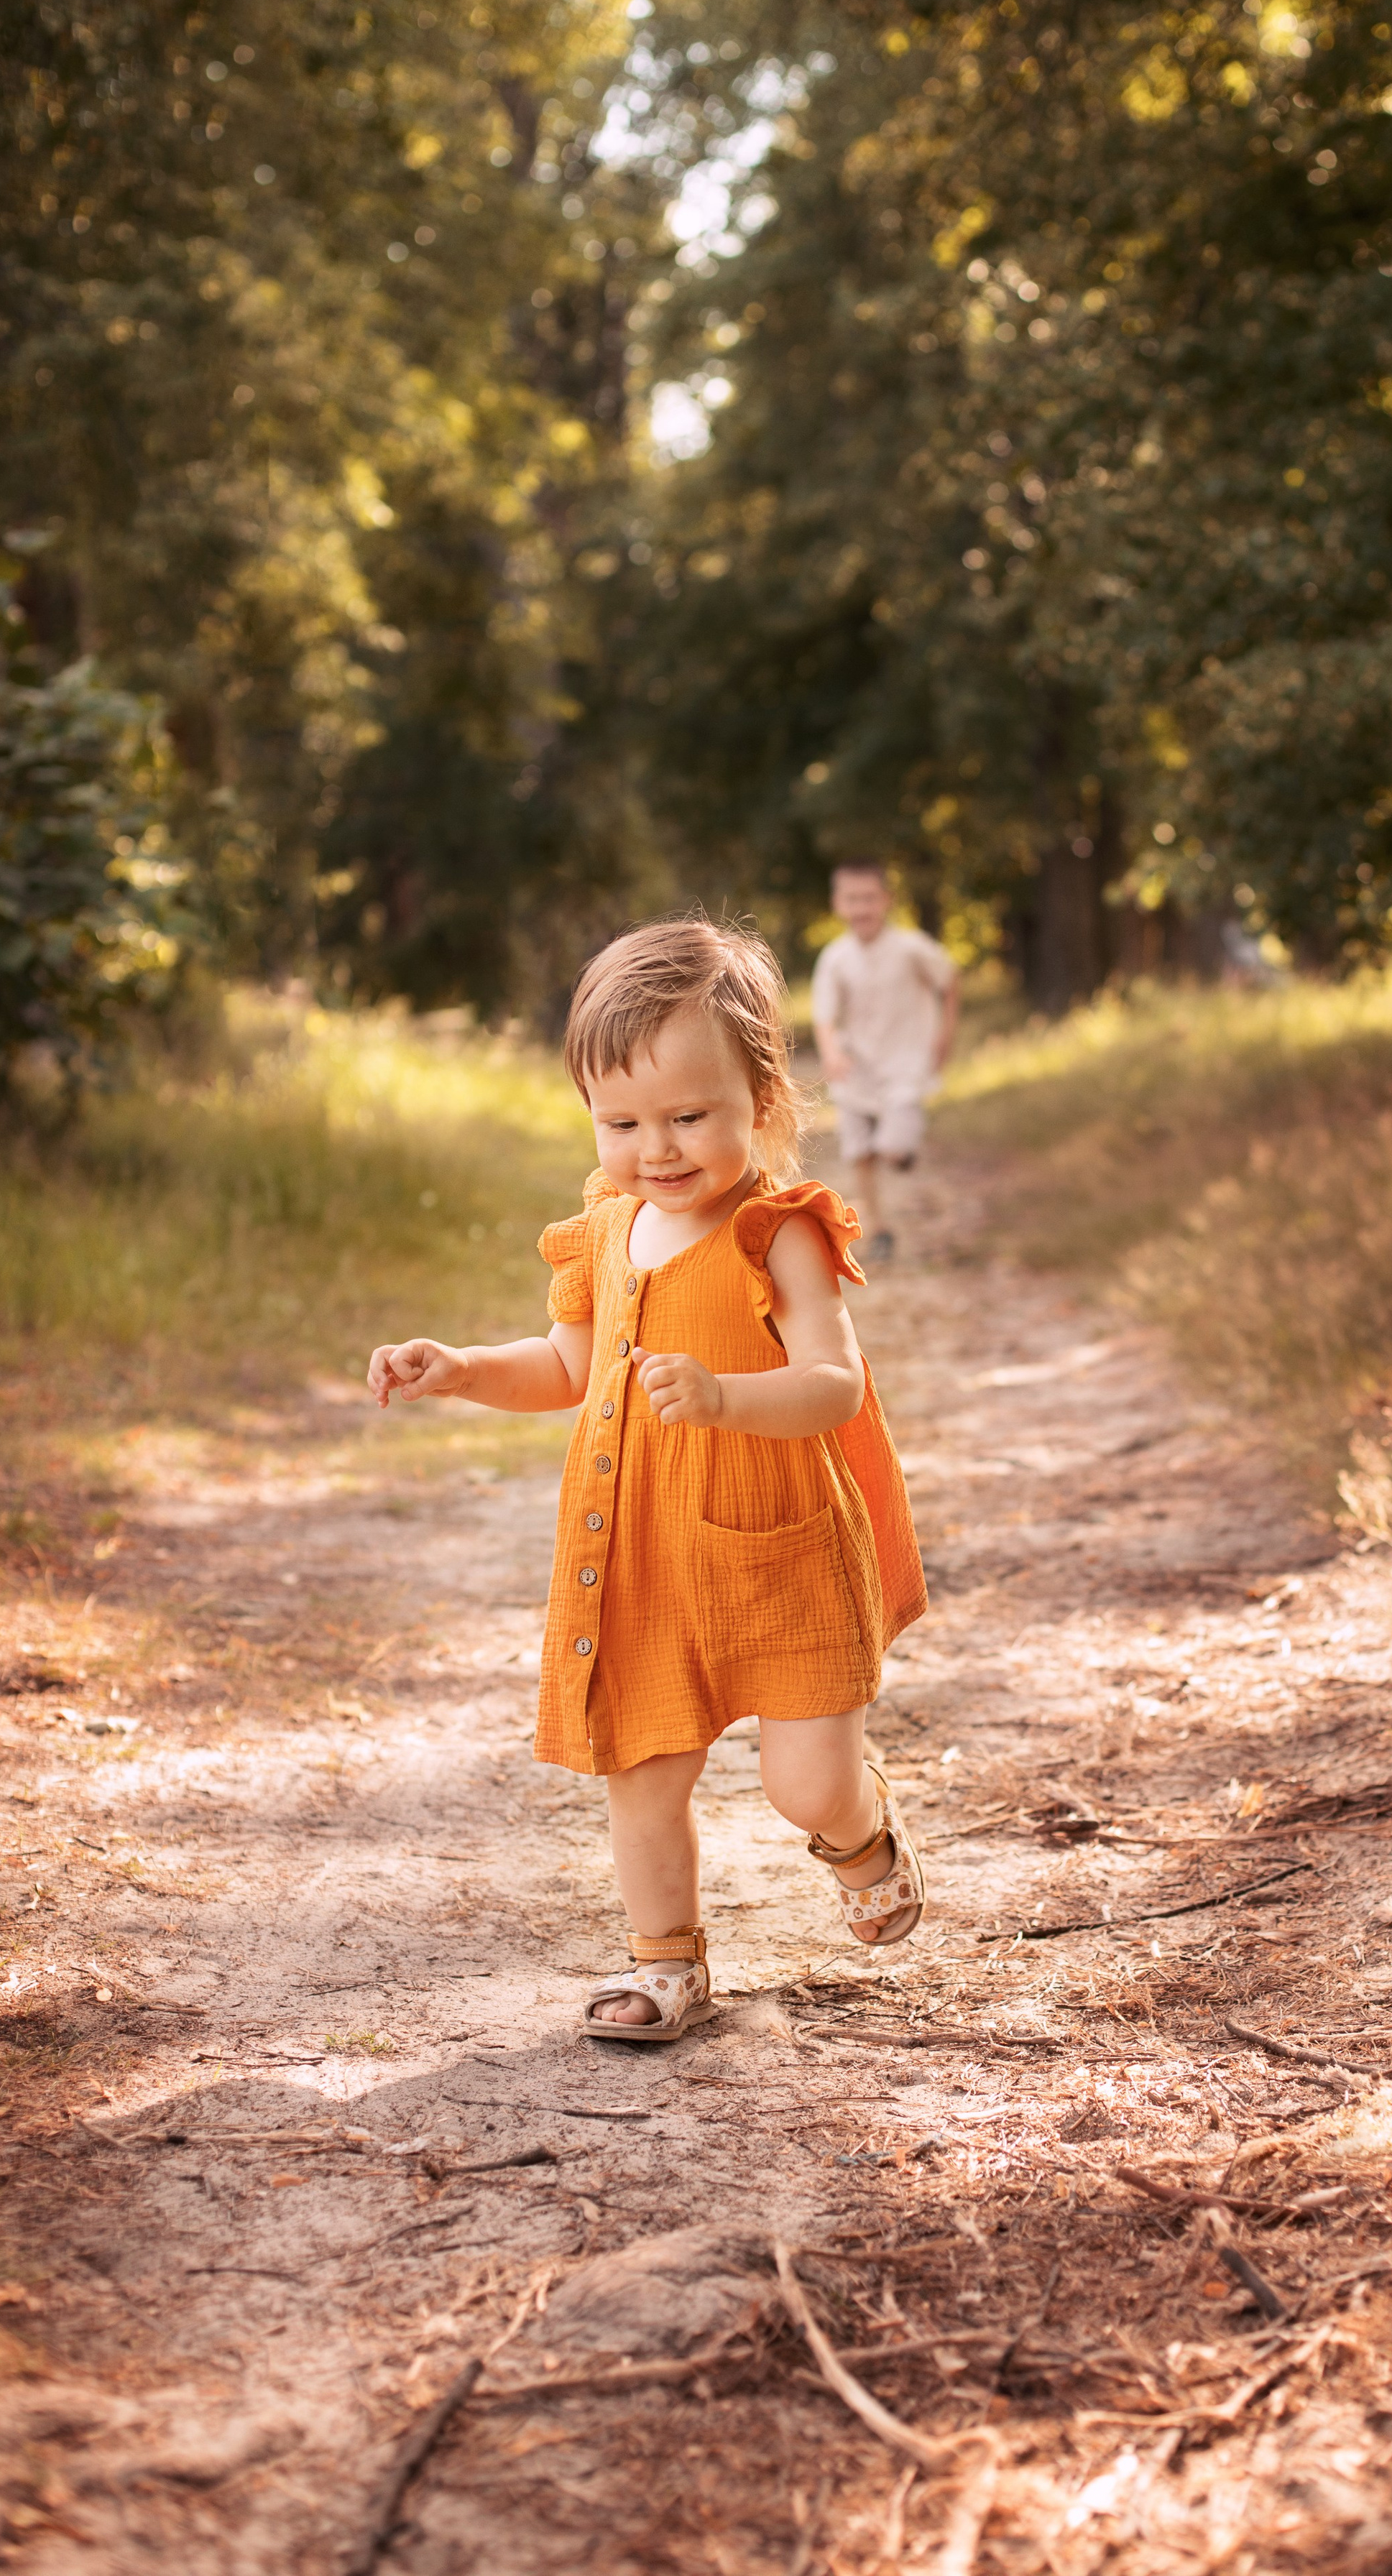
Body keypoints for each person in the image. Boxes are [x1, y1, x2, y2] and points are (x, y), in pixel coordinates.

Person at [366, 918, 928, 2047]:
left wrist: (725, 1396)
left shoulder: (778, 1234)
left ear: (761, 1101)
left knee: (805, 1785)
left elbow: (834, 1383)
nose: (656, 1150)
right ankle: (666, 1962)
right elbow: (568, 1368)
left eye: (688, 1117)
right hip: (643, 1556)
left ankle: (860, 1832)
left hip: (779, 1548)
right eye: (621, 1122)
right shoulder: (608, 1231)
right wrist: (464, 1369)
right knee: (643, 1774)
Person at [810, 862, 959, 1265]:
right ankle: (880, 1230)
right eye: (852, 899)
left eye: (870, 898)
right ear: (838, 904)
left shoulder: (912, 948)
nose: (861, 908)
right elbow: (824, 1016)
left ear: (887, 900)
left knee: (892, 1147)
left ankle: (899, 1151)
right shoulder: (835, 957)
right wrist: (831, 1053)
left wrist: (945, 1035)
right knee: (859, 1153)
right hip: (857, 1069)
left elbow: (949, 980)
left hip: (905, 1065)